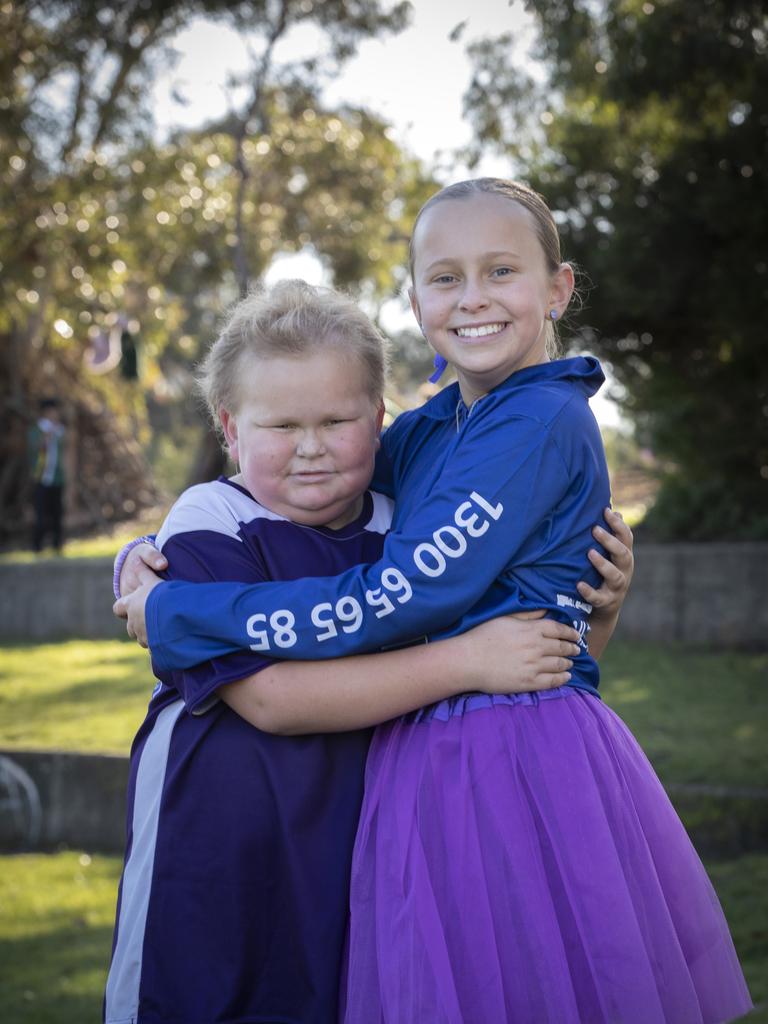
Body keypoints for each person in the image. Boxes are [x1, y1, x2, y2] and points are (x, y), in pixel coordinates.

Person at [116, 179, 751, 1023]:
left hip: (493, 759)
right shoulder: (438, 427)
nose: (474, 297)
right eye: (446, 278)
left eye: (500, 271)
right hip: (401, 773)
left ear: (558, 288)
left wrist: (180, 614)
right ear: (415, 300)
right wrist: (139, 559)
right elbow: (323, 462)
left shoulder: (535, 423)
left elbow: (404, 596)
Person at [105, 279, 616, 1024]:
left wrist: (602, 600)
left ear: (379, 421)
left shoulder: (407, 527)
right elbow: (271, 703)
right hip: (217, 852)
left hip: (366, 846)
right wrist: (465, 662)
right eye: (281, 425)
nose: (310, 447)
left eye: (338, 420)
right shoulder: (209, 517)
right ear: (230, 429)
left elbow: (537, 653)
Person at [28, 397, 66, 553]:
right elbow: (34, 449)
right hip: (41, 478)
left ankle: (57, 546)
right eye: (51, 411)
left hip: (57, 479)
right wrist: (46, 437)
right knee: (41, 515)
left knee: (57, 514)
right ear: (44, 412)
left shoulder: (60, 431)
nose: (54, 414)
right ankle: (37, 547)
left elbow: (66, 453)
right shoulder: (37, 430)